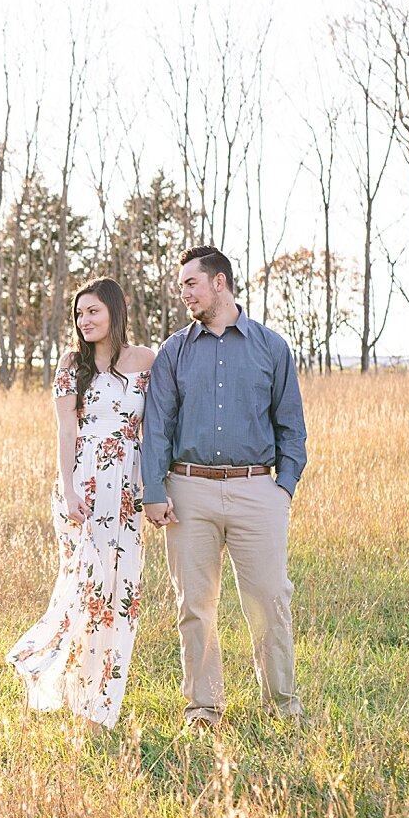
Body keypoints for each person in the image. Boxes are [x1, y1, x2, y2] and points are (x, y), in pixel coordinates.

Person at [141, 245, 307, 732]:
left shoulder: (271, 347)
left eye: (190, 284)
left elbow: (291, 425)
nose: (184, 294)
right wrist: (154, 488)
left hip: (258, 491)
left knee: (271, 599)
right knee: (194, 604)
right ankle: (203, 708)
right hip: (188, 490)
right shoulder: (174, 351)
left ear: (219, 282)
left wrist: (285, 488)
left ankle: (282, 706)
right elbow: (157, 427)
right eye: (180, 287)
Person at [7, 277, 156, 731]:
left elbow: (156, 429)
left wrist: (154, 489)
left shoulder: (147, 360)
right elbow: (66, 431)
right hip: (85, 491)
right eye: (79, 314)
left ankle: (100, 706)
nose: (85, 320)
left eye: (93, 311)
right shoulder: (72, 363)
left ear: (114, 311)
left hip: (128, 490)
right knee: (86, 594)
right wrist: (69, 489)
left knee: (121, 597)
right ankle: (60, 679)